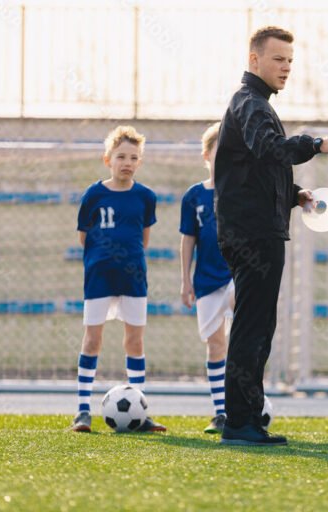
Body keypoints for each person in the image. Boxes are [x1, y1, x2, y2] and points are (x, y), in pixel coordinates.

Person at [215, 26, 328, 446]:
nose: (286, 67)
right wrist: (317, 144)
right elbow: (272, 150)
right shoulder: (250, 103)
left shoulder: (254, 105)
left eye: (290, 60)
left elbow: (256, 168)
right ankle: (240, 420)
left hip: (257, 230)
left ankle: (245, 416)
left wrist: (294, 194)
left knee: (258, 324)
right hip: (253, 236)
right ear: (254, 60)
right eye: (278, 59)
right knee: (253, 326)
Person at [70, 125, 166, 433]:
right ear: (107, 159)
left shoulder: (145, 196)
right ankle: (82, 411)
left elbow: (144, 238)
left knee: (135, 341)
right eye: (121, 156)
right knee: (92, 339)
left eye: (134, 157)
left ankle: (140, 412)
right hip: (99, 276)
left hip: (134, 278)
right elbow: (84, 237)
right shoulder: (93, 194)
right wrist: (103, 257)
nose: (127, 162)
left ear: (140, 162)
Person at [180, 122, 234, 435]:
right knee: (216, 345)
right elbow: (188, 240)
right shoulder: (194, 196)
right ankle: (220, 412)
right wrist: (185, 281)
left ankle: (248, 405)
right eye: (218, 153)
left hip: (237, 274)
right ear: (206, 155)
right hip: (207, 280)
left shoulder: (240, 192)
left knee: (242, 339)